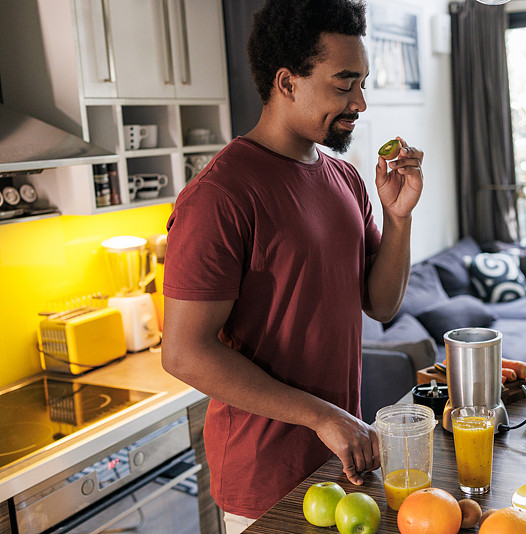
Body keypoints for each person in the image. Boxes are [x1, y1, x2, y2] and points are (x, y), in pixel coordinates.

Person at [160, 0, 424, 532]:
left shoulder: (344, 178)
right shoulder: (220, 195)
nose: (361, 103)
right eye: (344, 84)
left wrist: (398, 219)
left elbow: (380, 303)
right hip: (264, 478)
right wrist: (324, 416)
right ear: (287, 82)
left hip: (340, 463)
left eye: (362, 83)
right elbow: (184, 352)